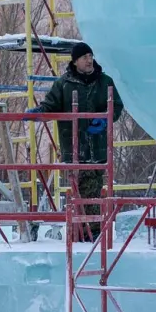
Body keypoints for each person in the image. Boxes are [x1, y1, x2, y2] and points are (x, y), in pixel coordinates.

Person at [30, 42, 123, 237]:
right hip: (73, 148)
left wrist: (105, 119)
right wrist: (39, 112)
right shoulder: (64, 84)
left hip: (97, 147)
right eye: (84, 57)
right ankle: (82, 232)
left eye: (90, 56)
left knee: (92, 191)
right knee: (79, 191)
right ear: (75, 61)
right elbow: (50, 105)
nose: (89, 60)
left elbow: (116, 106)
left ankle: (89, 232)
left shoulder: (104, 81)